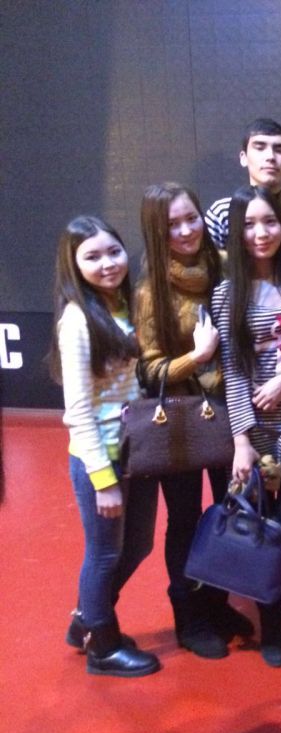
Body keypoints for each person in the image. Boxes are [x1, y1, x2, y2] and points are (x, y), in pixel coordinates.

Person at [211, 186, 281, 667]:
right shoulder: (227, 293)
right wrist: (240, 440)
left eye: (270, 222)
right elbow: (233, 371)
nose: (261, 233)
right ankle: (272, 626)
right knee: (262, 530)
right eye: (249, 224)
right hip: (256, 429)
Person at [134, 182, 246, 659]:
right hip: (179, 422)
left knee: (227, 513)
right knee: (184, 520)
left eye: (190, 218)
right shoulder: (150, 290)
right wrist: (196, 358)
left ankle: (217, 604)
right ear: (156, 232)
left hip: (229, 413)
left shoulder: (224, 266)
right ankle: (189, 618)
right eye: (172, 225)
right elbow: (149, 370)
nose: (185, 231)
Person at [50, 216, 160, 677]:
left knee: (138, 545)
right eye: (92, 257)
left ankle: (87, 620)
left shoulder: (125, 305)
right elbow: (77, 411)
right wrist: (103, 481)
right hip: (103, 459)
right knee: (104, 554)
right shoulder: (78, 320)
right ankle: (102, 646)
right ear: (73, 265)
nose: (108, 263)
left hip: (137, 449)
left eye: (113, 251)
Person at [205, 118, 281, 250]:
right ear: (244, 158)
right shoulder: (222, 212)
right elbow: (208, 260)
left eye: (279, 150)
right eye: (260, 148)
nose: (270, 156)